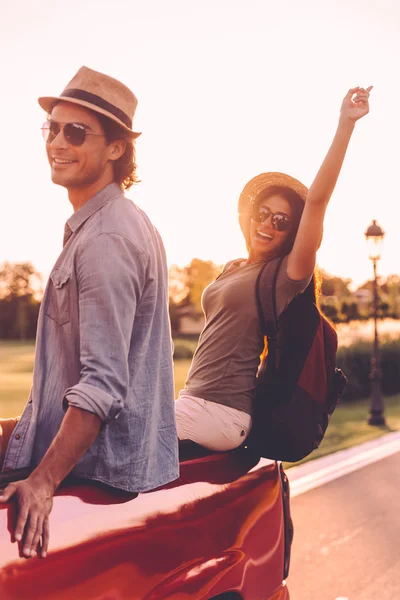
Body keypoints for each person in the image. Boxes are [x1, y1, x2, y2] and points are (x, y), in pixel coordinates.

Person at [0, 66, 179, 558]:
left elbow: (102, 384)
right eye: (51, 128)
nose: (56, 141)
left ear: (116, 148)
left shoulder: (106, 238)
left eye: (75, 131)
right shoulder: (110, 223)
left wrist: (41, 482)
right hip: (98, 465)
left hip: (92, 474)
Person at [176, 85, 373, 452]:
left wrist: (345, 125)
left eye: (282, 221)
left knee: (114, 441)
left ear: (293, 232)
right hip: (193, 402)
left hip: (223, 413)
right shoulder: (233, 267)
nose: (267, 225)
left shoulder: (285, 277)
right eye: (262, 214)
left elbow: (316, 201)